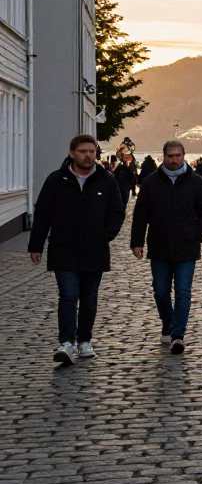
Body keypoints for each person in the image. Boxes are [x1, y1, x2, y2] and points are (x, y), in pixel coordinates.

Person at [28, 135, 126, 364]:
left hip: (95, 250)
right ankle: (66, 342)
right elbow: (43, 214)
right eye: (83, 151)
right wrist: (36, 245)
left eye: (92, 151)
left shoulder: (106, 180)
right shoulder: (56, 180)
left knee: (89, 298)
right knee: (68, 296)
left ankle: (84, 340)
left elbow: (117, 212)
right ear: (72, 153)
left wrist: (106, 235)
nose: (88, 155)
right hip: (63, 248)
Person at [130, 140, 202, 354]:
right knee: (160, 291)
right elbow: (140, 214)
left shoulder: (195, 182)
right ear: (163, 157)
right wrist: (137, 241)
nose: (174, 159)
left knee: (183, 292)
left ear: (183, 156)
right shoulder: (151, 182)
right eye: (170, 156)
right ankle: (167, 320)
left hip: (187, 247)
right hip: (159, 246)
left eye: (177, 156)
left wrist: (198, 235)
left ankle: (178, 335)